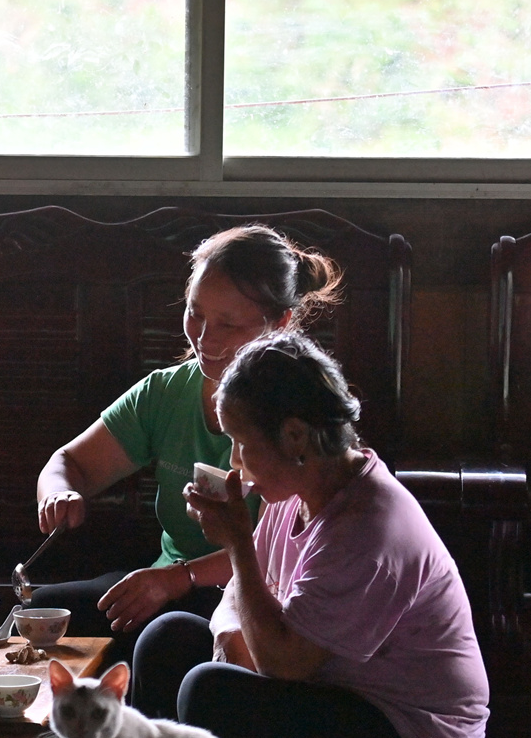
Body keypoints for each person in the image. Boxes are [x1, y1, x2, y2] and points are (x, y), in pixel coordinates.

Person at [130, 330, 489, 738]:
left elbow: (285, 662)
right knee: (168, 641)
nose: (234, 463)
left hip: (415, 736)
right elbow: (239, 604)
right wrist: (237, 627)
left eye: (242, 444)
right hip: (339, 689)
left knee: (213, 692)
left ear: (295, 437)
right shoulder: (294, 497)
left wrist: (237, 549)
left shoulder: (367, 525)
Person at [31, 225, 341, 671]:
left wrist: (182, 578)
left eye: (229, 324)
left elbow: (283, 554)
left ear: (279, 323)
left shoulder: (300, 416)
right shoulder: (166, 392)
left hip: (254, 599)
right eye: (195, 314)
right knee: (40, 613)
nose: (205, 338)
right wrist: (60, 493)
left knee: (165, 641)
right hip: (164, 580)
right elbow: (69, 463)